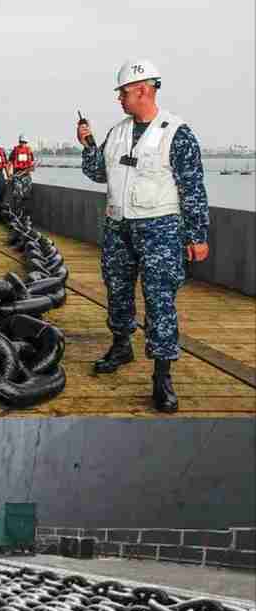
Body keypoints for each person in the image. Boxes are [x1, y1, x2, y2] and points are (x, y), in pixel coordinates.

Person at [78, 59, 210, 413]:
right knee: (117, 290)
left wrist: (197, 235)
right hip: (118, 227)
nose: (119, 98)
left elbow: (193, 188)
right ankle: (122, 345)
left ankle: (162, 376)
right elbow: (96, 173)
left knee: (160, 300)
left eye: (122, 92)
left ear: (143, 90)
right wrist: (87, 142)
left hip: (160, 230)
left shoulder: (176, 132)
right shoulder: (117, 132)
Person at [9, 135, 35, 209]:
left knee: (27, 194)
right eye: (21, 142)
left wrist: (31, 169)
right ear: (19, 142)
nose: (23, 143)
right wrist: (9, 174)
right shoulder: (15, 150)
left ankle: (24, 210)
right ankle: (16, 209)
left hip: (26, 175)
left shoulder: (29, 150)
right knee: (17, 194)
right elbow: (9, 163)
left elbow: (32, 163)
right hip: (17, 175)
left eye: (24, 142)